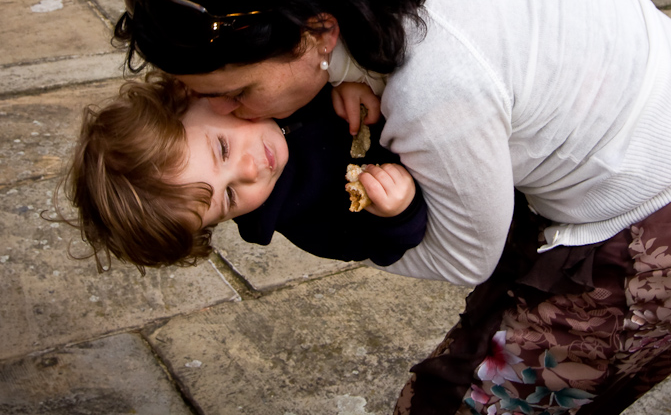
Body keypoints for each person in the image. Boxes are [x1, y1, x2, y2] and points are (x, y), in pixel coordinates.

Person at [115, 0, 671, 415]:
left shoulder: (435, 81)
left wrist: (381, 218)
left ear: (313, 31)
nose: (231, 112)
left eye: (234, 92)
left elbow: (466, 253)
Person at [63, 73, 427, 272]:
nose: (251, 169)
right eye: (230, 196)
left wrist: (345, 74)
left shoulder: (266, 78)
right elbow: (379, 248)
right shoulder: (309, 224)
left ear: (191, 96)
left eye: (222, 148)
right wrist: (397, 213)